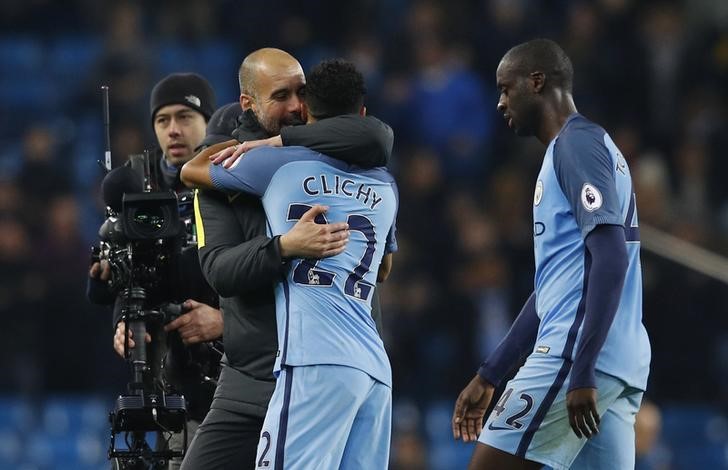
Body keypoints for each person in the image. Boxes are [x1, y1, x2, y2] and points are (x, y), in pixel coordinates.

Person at [179, 49, 393, 469]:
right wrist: (284, 247)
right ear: (249, 104)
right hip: (256, 380)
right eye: (282, 96)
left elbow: (376, 136)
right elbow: (220, 271)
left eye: (302, 93)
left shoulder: (336, 156)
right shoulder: (372, 175)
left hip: (314, 363)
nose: (297, 106)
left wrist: (281, 140)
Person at [451, 38, 650, 470]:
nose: (501, 103)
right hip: (617, 360)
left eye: (507, 88)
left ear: (536, 81)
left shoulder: (575, 145)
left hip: (574, 355)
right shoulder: (585, 149)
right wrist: (491, 372)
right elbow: (552, 293)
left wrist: (581, 368)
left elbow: (611, 256)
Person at [86, 72, 223, 469]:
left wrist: (225, 320)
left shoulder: (235, 183)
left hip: (241, 373)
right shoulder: (136, 186)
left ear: (209, 122)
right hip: (171, 386)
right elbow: (128, 277)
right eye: (162, 120)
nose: (173, 130)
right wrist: (124, 323)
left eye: (185, 116)